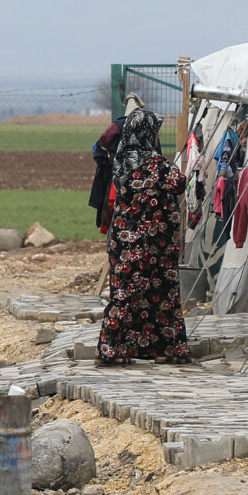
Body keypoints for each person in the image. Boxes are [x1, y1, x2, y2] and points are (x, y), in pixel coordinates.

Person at [96, 100, 190, 364]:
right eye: (155, 132)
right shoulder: (155, 164)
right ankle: (165, 349)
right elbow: (179, 183)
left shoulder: (123, 161)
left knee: (125, 293)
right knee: (160, 296)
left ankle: (116, 349)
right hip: (152, 245)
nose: (158, 136)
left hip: (125, 242)